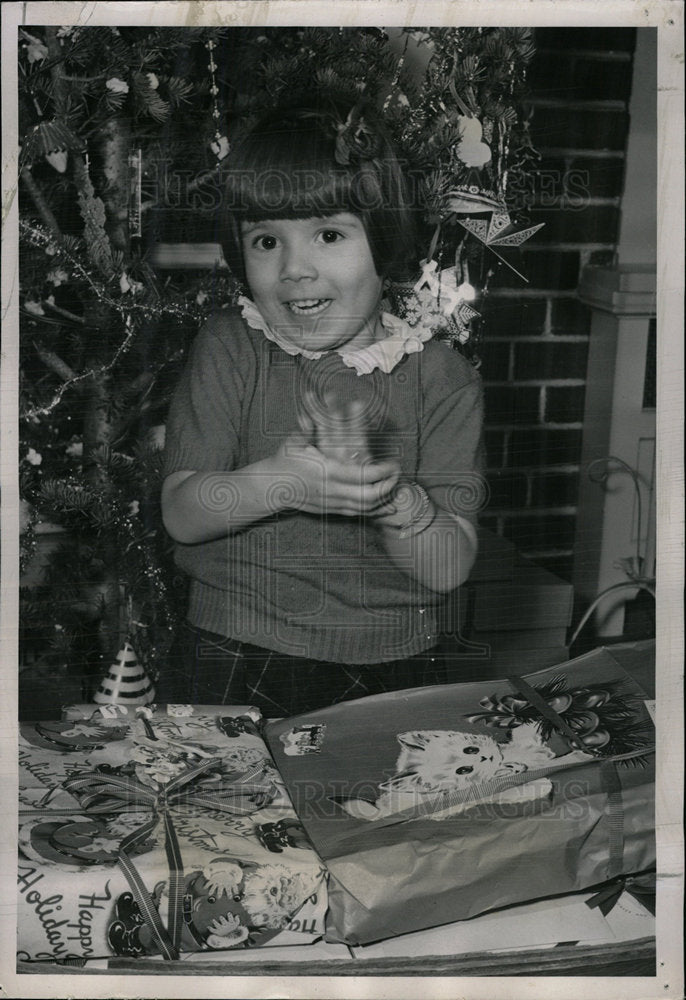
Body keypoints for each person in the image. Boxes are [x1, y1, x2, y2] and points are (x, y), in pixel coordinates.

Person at [160, 100, 485, 716]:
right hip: (233, 651)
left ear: (382, 240)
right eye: (265, 241)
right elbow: (181, 512)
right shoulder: (232, 345)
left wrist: (393, 500)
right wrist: (285, 481)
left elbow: (447, 568)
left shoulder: (443, 378)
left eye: (329, 235)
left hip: (396, 665)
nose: (295, 269)